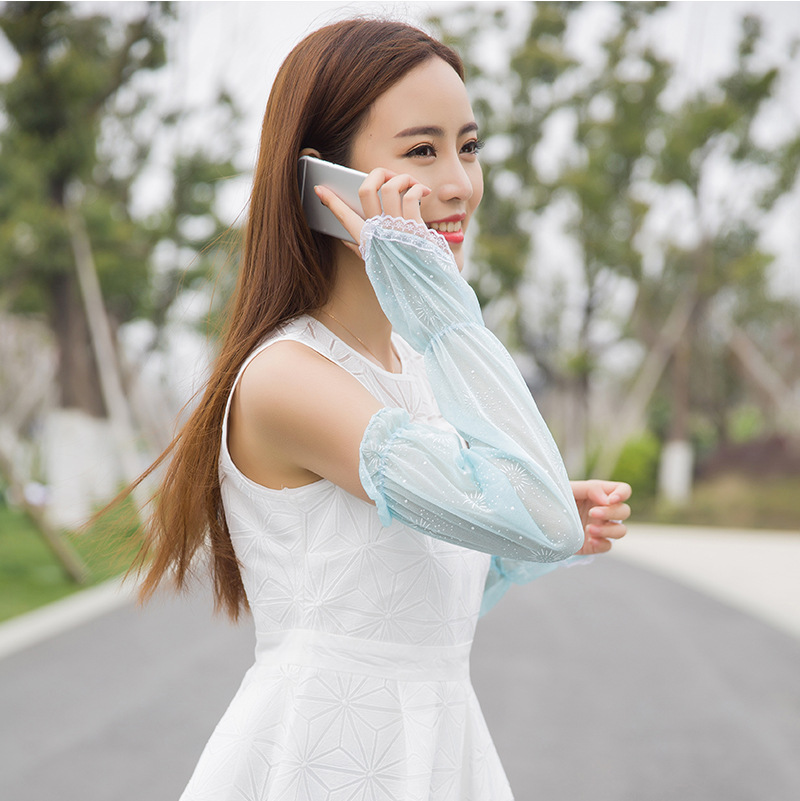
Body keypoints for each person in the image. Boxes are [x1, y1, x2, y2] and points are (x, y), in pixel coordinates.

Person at [132, 18, 632, 801]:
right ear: (321, 181)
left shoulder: (419, 365)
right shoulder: (287, 377)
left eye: (469, 146)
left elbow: (415, 610)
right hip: (326, 756)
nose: (460, 184)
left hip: (434, 746)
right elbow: (538, 519)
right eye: (422, 150)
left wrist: (516, 535)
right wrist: (443, 312)